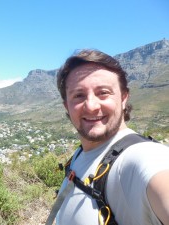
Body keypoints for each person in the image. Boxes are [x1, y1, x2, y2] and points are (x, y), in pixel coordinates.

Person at [55, 49, 169, 225]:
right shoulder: (79, 156)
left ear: (124, 98)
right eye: (78, 95)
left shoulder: (141, 158)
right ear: (66, 106)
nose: (91, 106)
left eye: (103, 92)